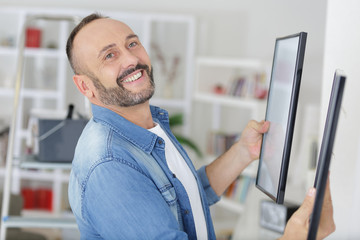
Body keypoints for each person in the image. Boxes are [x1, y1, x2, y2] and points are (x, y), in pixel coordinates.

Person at [66, 13, 335, 239]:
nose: (131, 59)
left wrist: (244, 151)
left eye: (132, 43)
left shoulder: (147, 126)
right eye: (110, 55)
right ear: (85, 86)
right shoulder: (110, 164)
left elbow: (187, 197)